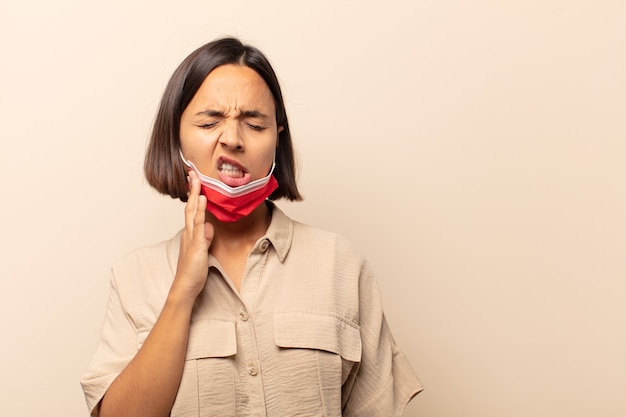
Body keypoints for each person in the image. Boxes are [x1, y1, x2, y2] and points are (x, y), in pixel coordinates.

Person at [81, 37, 422, 417]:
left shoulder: (340, 264)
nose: (232, 139)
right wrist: (182, 292)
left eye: (254, 123)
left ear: (277, 137)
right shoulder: (134, 278)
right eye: (210, 122)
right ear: (175, 137)